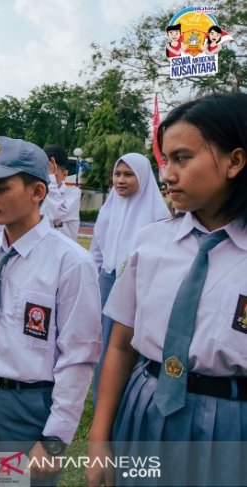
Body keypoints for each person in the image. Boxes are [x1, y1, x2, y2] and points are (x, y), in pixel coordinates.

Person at [85, 92, 247, 487]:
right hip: (145, 408)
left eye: (182, 158)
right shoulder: (151, 243)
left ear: (235, 161)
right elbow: (121, 345)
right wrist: (98, 436)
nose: (167, 174)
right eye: (165, 161)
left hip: (231, 422)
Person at [0, 136, 101, 486]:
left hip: (28, 406)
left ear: (37, 192)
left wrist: (55, 439)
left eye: (1, 187)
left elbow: (78, 358)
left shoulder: (71, 263)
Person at [89, 153, 170, 404]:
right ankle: (102, 396)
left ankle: (130, 397)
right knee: (104, 342)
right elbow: (97, 251)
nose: (120, 180)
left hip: (141, 287)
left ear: (143, 177)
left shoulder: (159, 215)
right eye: (117, 174)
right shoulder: (109, 208)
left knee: (131, 343)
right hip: (107, 281)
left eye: (128, 174)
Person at [42, 146, 81, 241]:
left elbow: (56, 213)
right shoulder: (38, 194)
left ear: (65, 175)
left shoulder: (73, 193)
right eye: (44, 173)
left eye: (53, 175)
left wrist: (50, 178)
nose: (47, 179)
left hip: (64, 253)